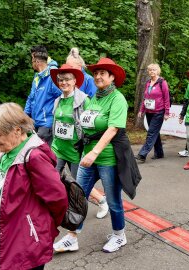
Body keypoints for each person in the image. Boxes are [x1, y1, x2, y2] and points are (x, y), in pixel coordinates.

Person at [54, 57, 141, 253]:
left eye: (103, 73)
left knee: (113, 201)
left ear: (112, 77)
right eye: (96, 73)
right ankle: (72, 236)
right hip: (88, 156)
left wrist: (94, 152)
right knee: (78, 196)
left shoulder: (118, 99)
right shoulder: (95, 98)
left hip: (108, 159)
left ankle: (119, 235)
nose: (98, 76)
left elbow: (112, 129)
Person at [0, 103, 68, 270]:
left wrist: (43, 226)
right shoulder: (9, 150)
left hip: (29, 236)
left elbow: (58, 198)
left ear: (17, 131)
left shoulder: (34, 157)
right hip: (13, 231)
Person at [50, 63, 108, 219]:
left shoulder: (84, 100)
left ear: (75, 80)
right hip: (59, 148)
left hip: (76, 149)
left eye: (67, 79)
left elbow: (92, 125)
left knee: (79, 185)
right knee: (51, 178)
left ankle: (102, 201)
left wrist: (89, 146)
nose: (63, 83)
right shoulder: (58, 100)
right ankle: (59, 208)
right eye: (61, 80)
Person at [24, 45, 62, 145]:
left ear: (36, 61)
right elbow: (30, 98)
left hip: (47, 124)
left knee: (42, 154)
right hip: (35, 122)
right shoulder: (37, 77)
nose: (31, 62)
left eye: (32, 59)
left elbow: (61, 96)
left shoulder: (52, 75)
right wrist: (24, 116)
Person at [135, 63, 170, 162]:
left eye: (154, 70)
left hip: (159, 111)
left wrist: (167, 112)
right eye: (150, 70)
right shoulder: (148, 83)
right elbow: (145, 98)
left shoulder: (162, 82)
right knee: (155, 132)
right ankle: (159, 153)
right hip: (149, 111)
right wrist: (141, 110)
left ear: (158, 71)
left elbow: (166, 98)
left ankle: (142, 154)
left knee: (151, 133)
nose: (152, 72)